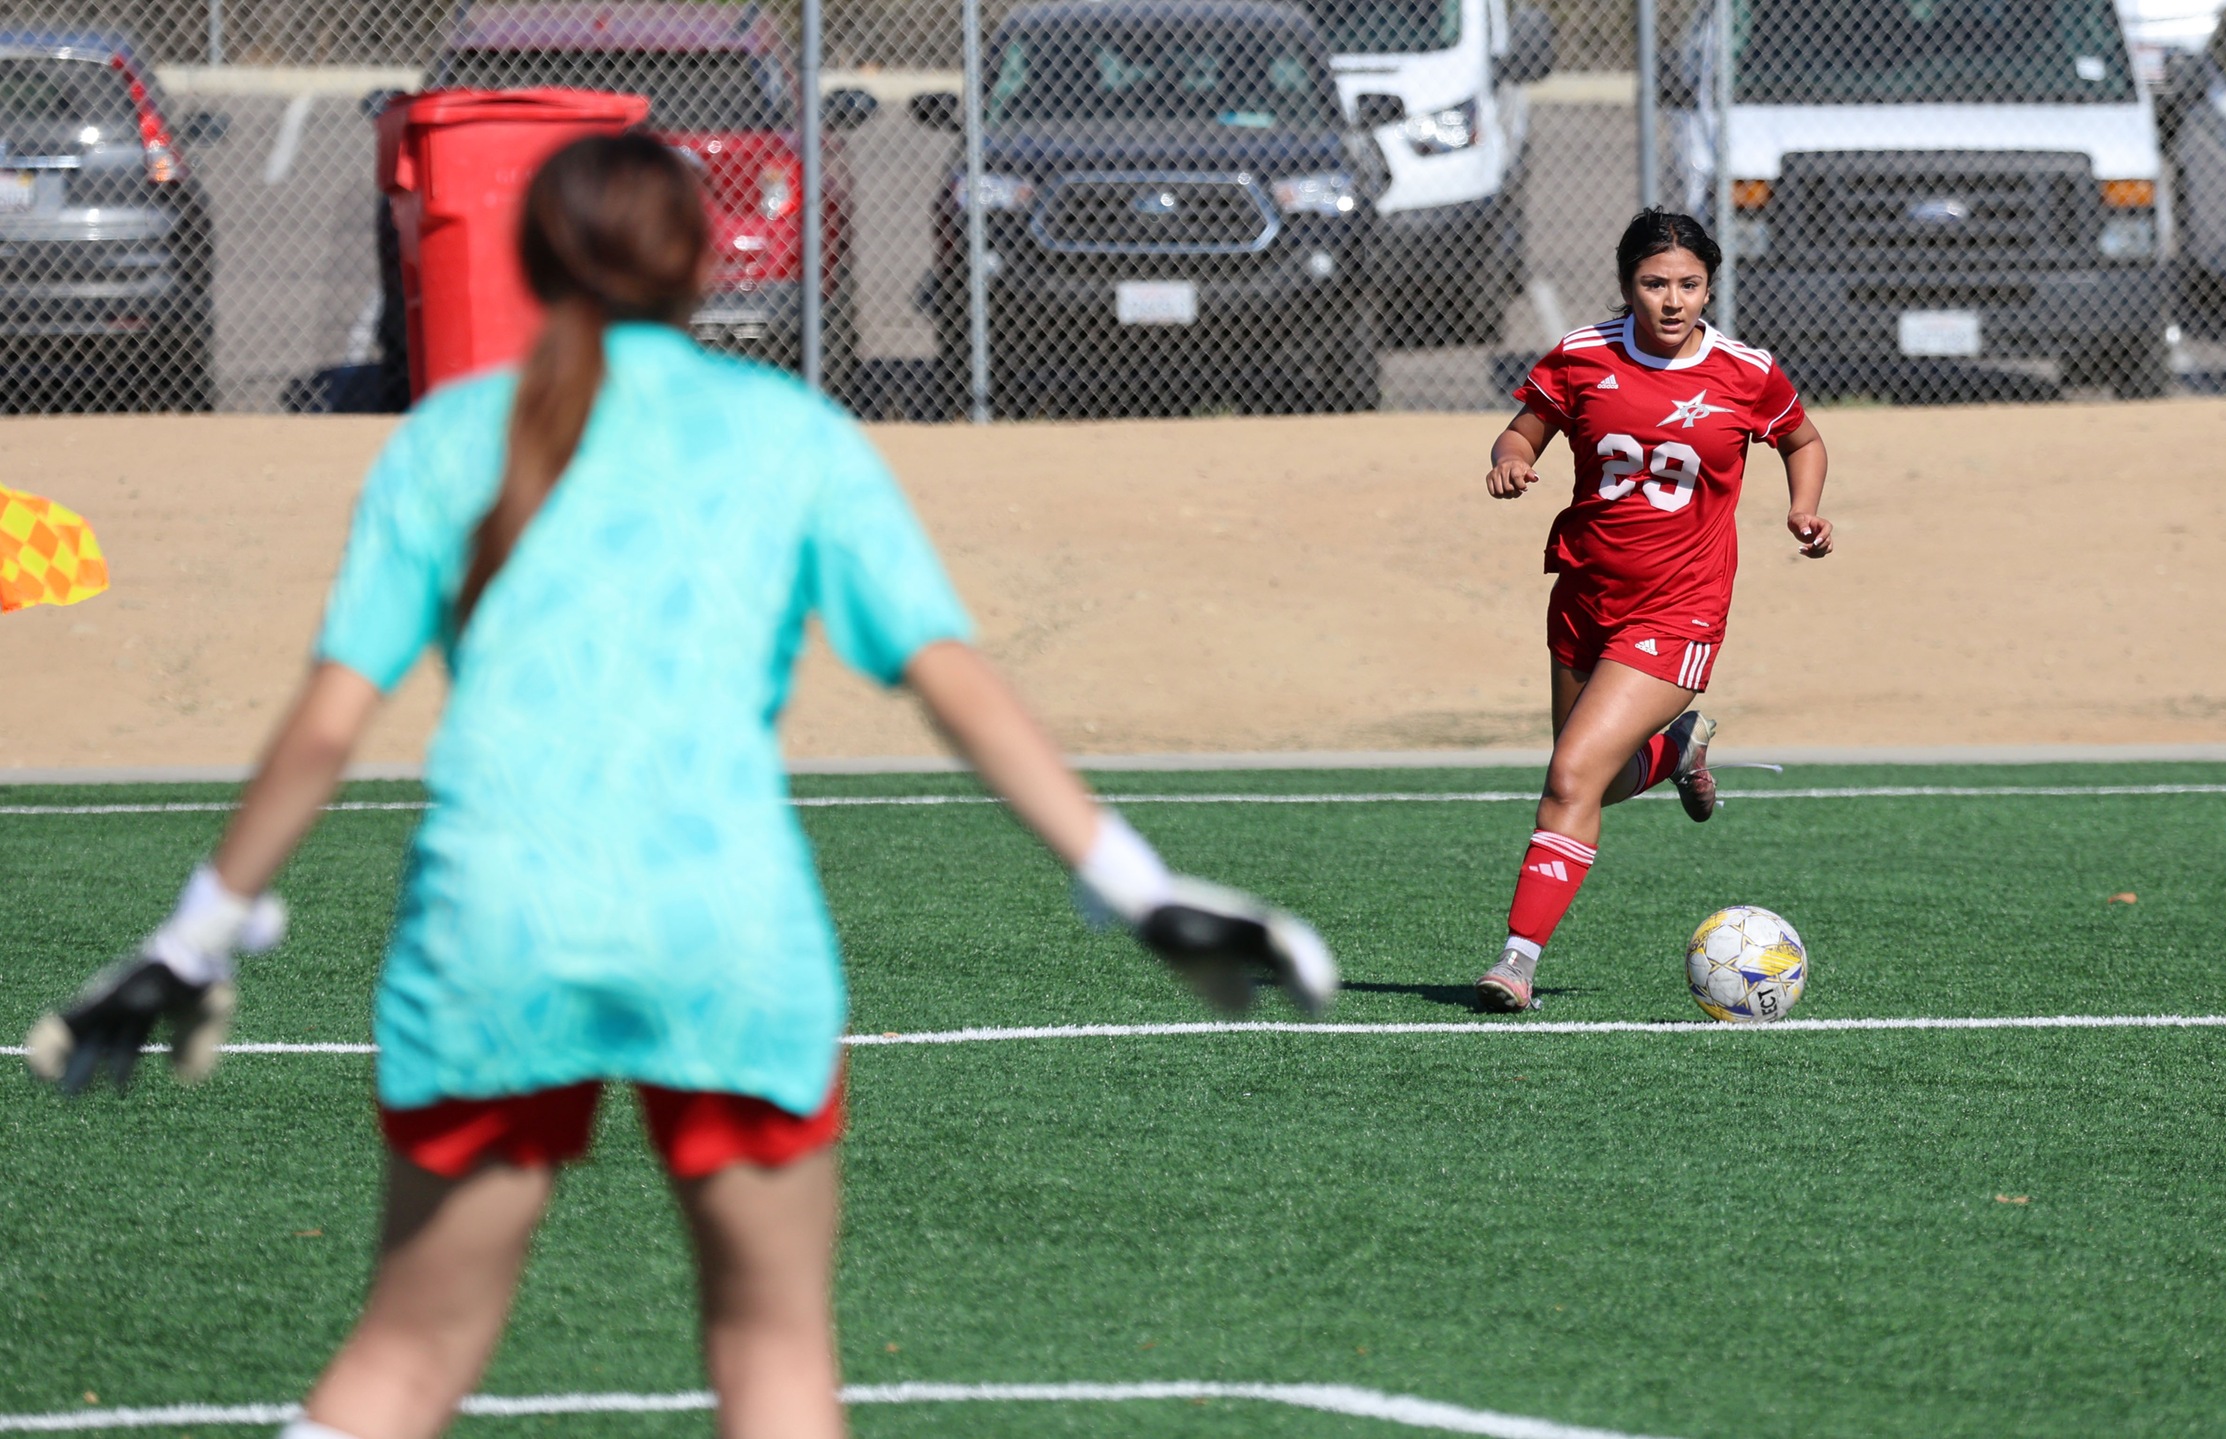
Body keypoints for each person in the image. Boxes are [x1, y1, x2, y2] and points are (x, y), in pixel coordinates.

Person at [26, 134, 1333, 1439]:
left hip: (496, 926)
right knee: (775, 1358)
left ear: (527, 262)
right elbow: (954, 679)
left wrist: (198, 929)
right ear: (704, 263)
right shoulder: (792, 435)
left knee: (403, 1359)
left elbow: (326, 722)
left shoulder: (446, 441)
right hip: (727, 930)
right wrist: (1132, 883)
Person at [1473, 208, 1832, 1013]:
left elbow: (1803, 440)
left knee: (1569, 777)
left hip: (1678, 611)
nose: (1672, 300)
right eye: (1654, 283)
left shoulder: (1746, 371)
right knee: (1591, 784)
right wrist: (1510, 462)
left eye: (1689, 284)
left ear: (1710, 283)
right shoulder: (1581, 355)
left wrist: (1803, 509)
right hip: (1583, 596)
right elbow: (1521, 431)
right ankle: (1674, 752)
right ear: (1627, 283)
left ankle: (1515, 963)